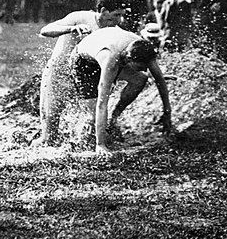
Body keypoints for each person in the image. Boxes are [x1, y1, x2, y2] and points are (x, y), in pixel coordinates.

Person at [35, 0, 127, 146]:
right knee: (49, 137)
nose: (119, 20)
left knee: (89, 130)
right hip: (59, 73)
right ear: (103, 11)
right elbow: (45, 30)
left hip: (86, 78)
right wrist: (70, 29)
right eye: (116, 15)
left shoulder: (115, 31)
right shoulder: (80, 17)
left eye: (121, 15)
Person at [70, 26, 172, 155]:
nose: (146, 70)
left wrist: (167, 112)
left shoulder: (144, 50)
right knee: (93, 115)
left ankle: (114, 118)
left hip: (114, 48)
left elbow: (160, 81)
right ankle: (90, 139)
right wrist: (100, 145)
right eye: (141, 67)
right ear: (129, 60)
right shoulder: (111, 60)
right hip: (84, 62)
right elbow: (102, 103)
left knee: (140, 79)